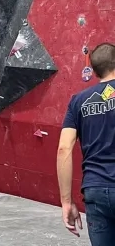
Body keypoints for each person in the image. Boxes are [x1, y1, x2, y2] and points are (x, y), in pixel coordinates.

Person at [57, 43, 115, 244]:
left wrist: (66, 202)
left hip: (95, 191)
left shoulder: (78, 101)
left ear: (95, 69)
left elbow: (64, 149)